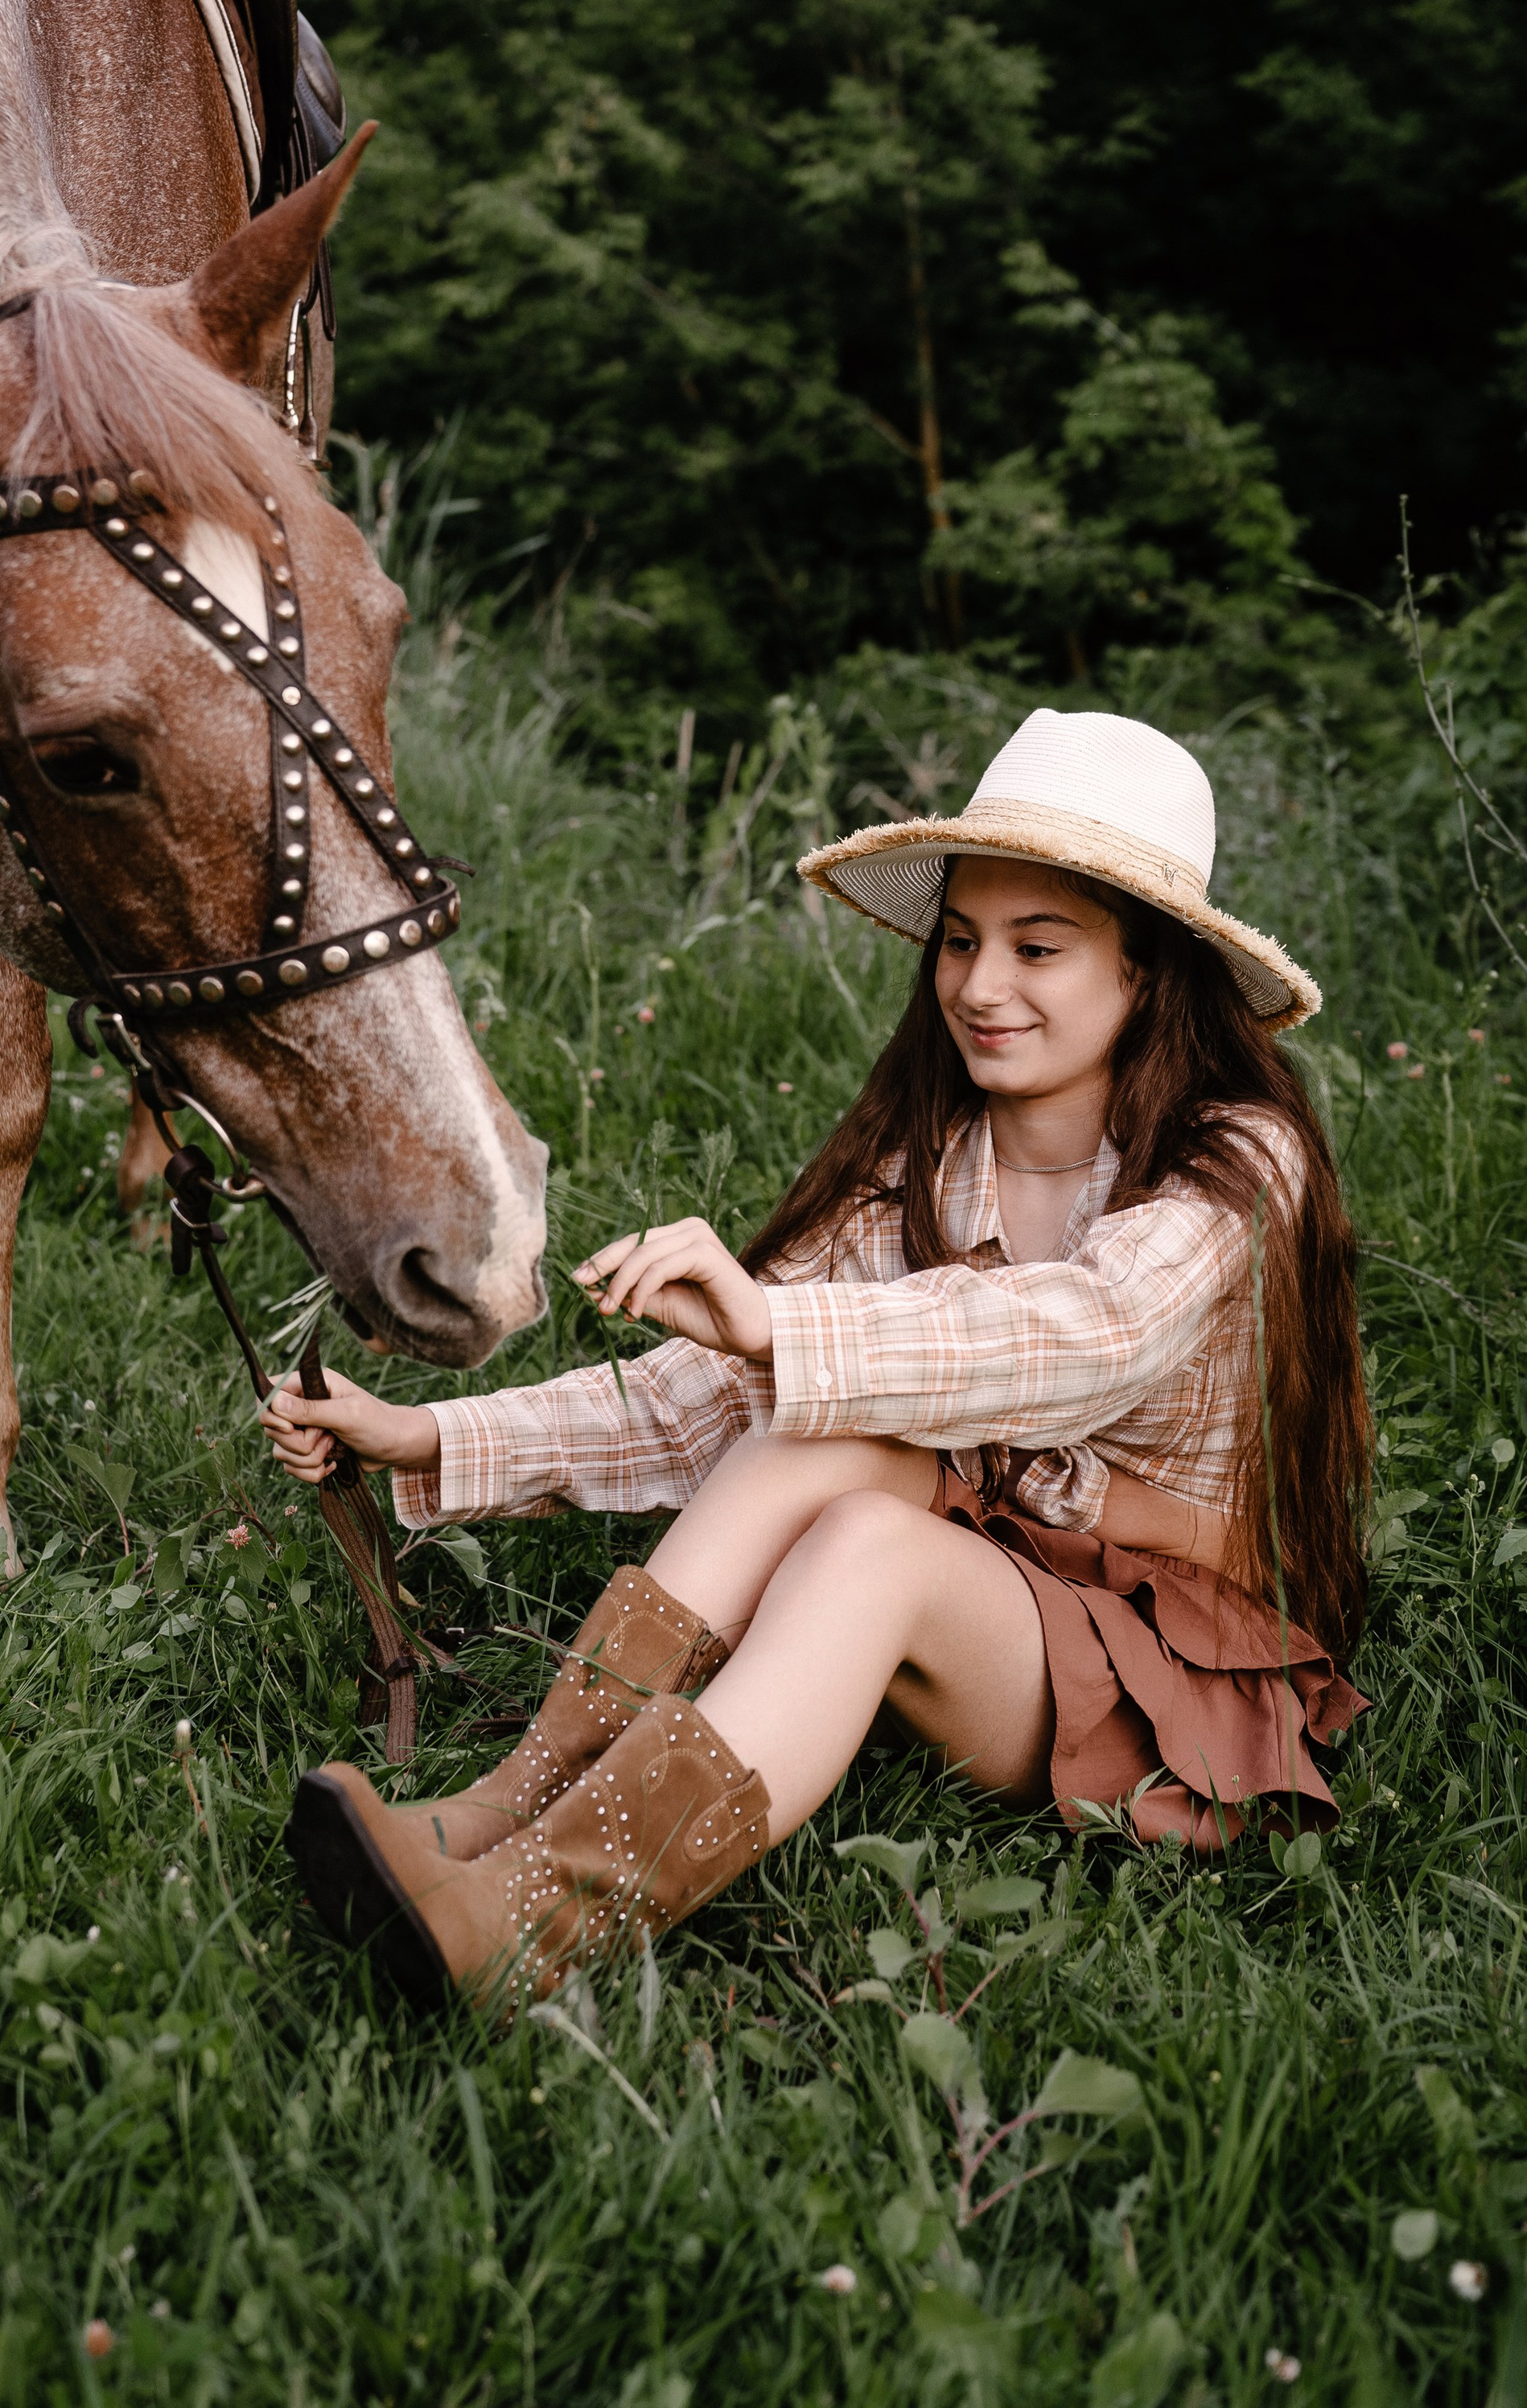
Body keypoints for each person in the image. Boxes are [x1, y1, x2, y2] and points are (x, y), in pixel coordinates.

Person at [261, 709, 1372, 2019]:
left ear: (1149, 972)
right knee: (822, 1434)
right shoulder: (927, 1163)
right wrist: (434, 1435)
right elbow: (706, 1399)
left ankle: (531, 1921)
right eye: (960, 940)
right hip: (990, 1587)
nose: (981, 986)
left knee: (871, 1534)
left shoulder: (1237, 1160)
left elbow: (1092, 1336)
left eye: (1038, 948)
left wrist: (782, 1328)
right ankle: (501, 1811)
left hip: (1159, 1663)